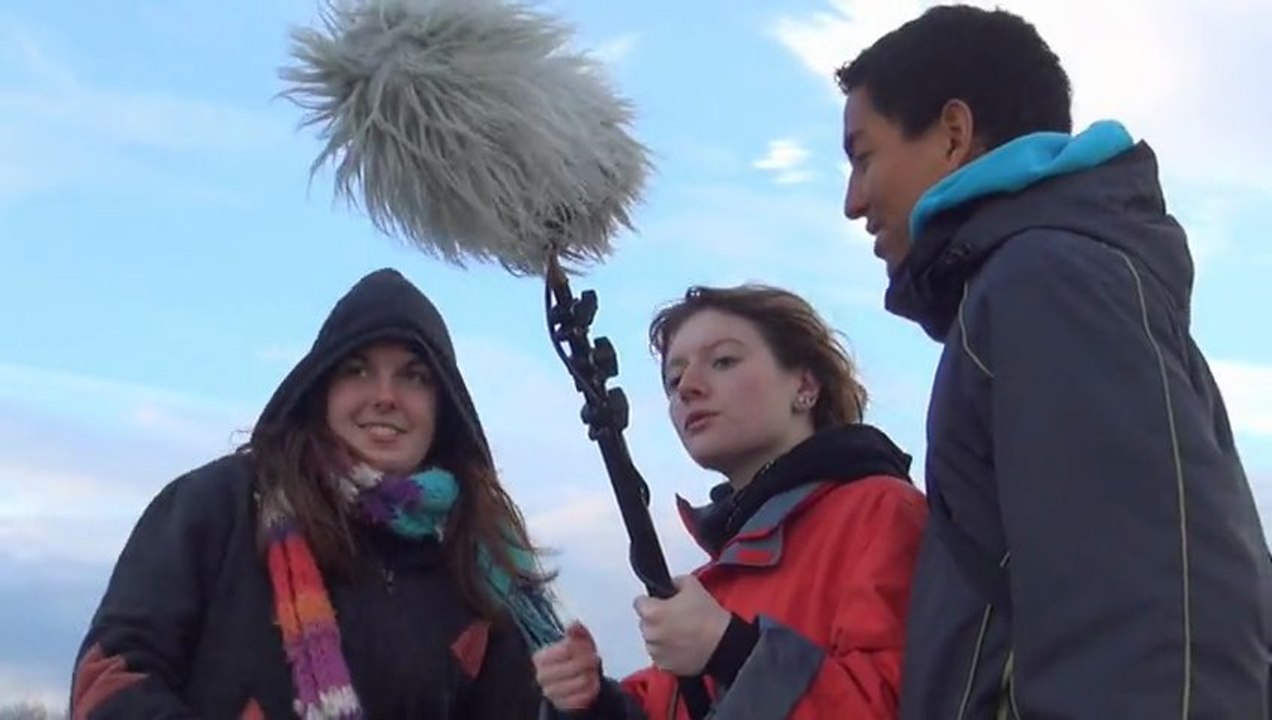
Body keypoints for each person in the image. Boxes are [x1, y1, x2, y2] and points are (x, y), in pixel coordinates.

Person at [836, 5, 1272, 718]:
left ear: (952, 133)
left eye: (862, 155)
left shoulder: (1043, 279)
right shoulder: (1035, 280)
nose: (853, 201)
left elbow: (1141, 615)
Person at [68, 268, 562, 719]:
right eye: (358, 369)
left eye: (414, 375)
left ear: (443, 406)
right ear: (320, 389)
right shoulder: (217, 506)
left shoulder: (478, 560)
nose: (386, 396)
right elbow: (109, 680)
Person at [533, 284, 928, 719]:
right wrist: (594, 703)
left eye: (723, 361)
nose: (687, 388)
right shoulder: (716, 578)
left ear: (805, 384)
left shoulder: (882, 512)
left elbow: (908, 702)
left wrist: (732, 650)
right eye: (673, 378)